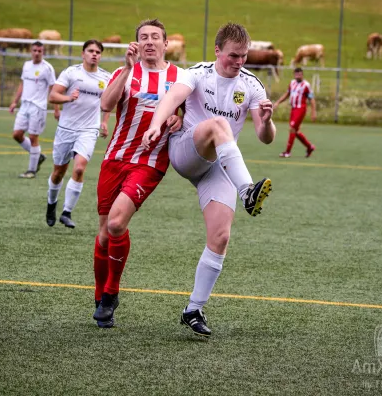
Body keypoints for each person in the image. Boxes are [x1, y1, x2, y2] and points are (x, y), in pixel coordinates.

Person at [142, 22, 275, 337]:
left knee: (220, 237)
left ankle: (193, 309)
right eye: (232, 56)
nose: (238, 62)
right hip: (188, 150)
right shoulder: (198, 73)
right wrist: (156, 125)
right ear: (217, 50)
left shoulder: (253, 85)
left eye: (243, 56)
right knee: (216, 125)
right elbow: (171, 97)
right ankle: (247, 191)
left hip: (219, 165)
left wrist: (268, 122)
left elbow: (265, 137)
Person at [92, 19, 183, 328]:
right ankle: (100, 297)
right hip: (115, 159)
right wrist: (128, 69)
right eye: (143, 37)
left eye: (155, 37)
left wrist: (178, 121)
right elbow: (105, 103)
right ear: (136, 44)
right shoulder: (124, 73)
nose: (149, 42)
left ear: (166, 44)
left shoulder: (179, 78)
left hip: (150, 163)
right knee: (104, 234)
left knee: (117, 223)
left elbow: (187, 115)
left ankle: (112, 292)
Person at [46, 40, 111, 229]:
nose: (94, 54)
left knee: (80, 168)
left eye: (98, 52)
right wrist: (68, 98)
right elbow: (52, 96)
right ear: (83, 54)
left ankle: (66, 212)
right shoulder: (71, 72)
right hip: (66, 128)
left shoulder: (105, 77)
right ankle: (51, 204)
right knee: (58, 172)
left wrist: (104, 122)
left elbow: (108, 101)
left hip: (88, 130)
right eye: (90, 51)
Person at [9, 41, 60, 179]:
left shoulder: (47, 68)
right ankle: (39, 156)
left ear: (43, 52)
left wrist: (56, 109)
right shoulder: (26, 65)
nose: (37, 53)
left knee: (33, 137)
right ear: (31, 51)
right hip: (24, 105)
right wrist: (14, 101)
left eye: (40, 51)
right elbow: (22, 84)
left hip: (38, 107)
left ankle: (31, 171)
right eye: (35, 50)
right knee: (17, 135)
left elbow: (53, 89)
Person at [273, 67, 316, 158]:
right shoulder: (292, 83)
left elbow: (311, 99)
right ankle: (309, 146)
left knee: (292, 128)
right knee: (295, 131)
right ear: (294, 75)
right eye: (296, 74)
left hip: (301, 109)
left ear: (302, 75)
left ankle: (287, 152)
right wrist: (278, 102)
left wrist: (313, 112)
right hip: (293, 109)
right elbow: (287, 94)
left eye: (300, 74)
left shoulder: (306, 85)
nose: (298, 76)